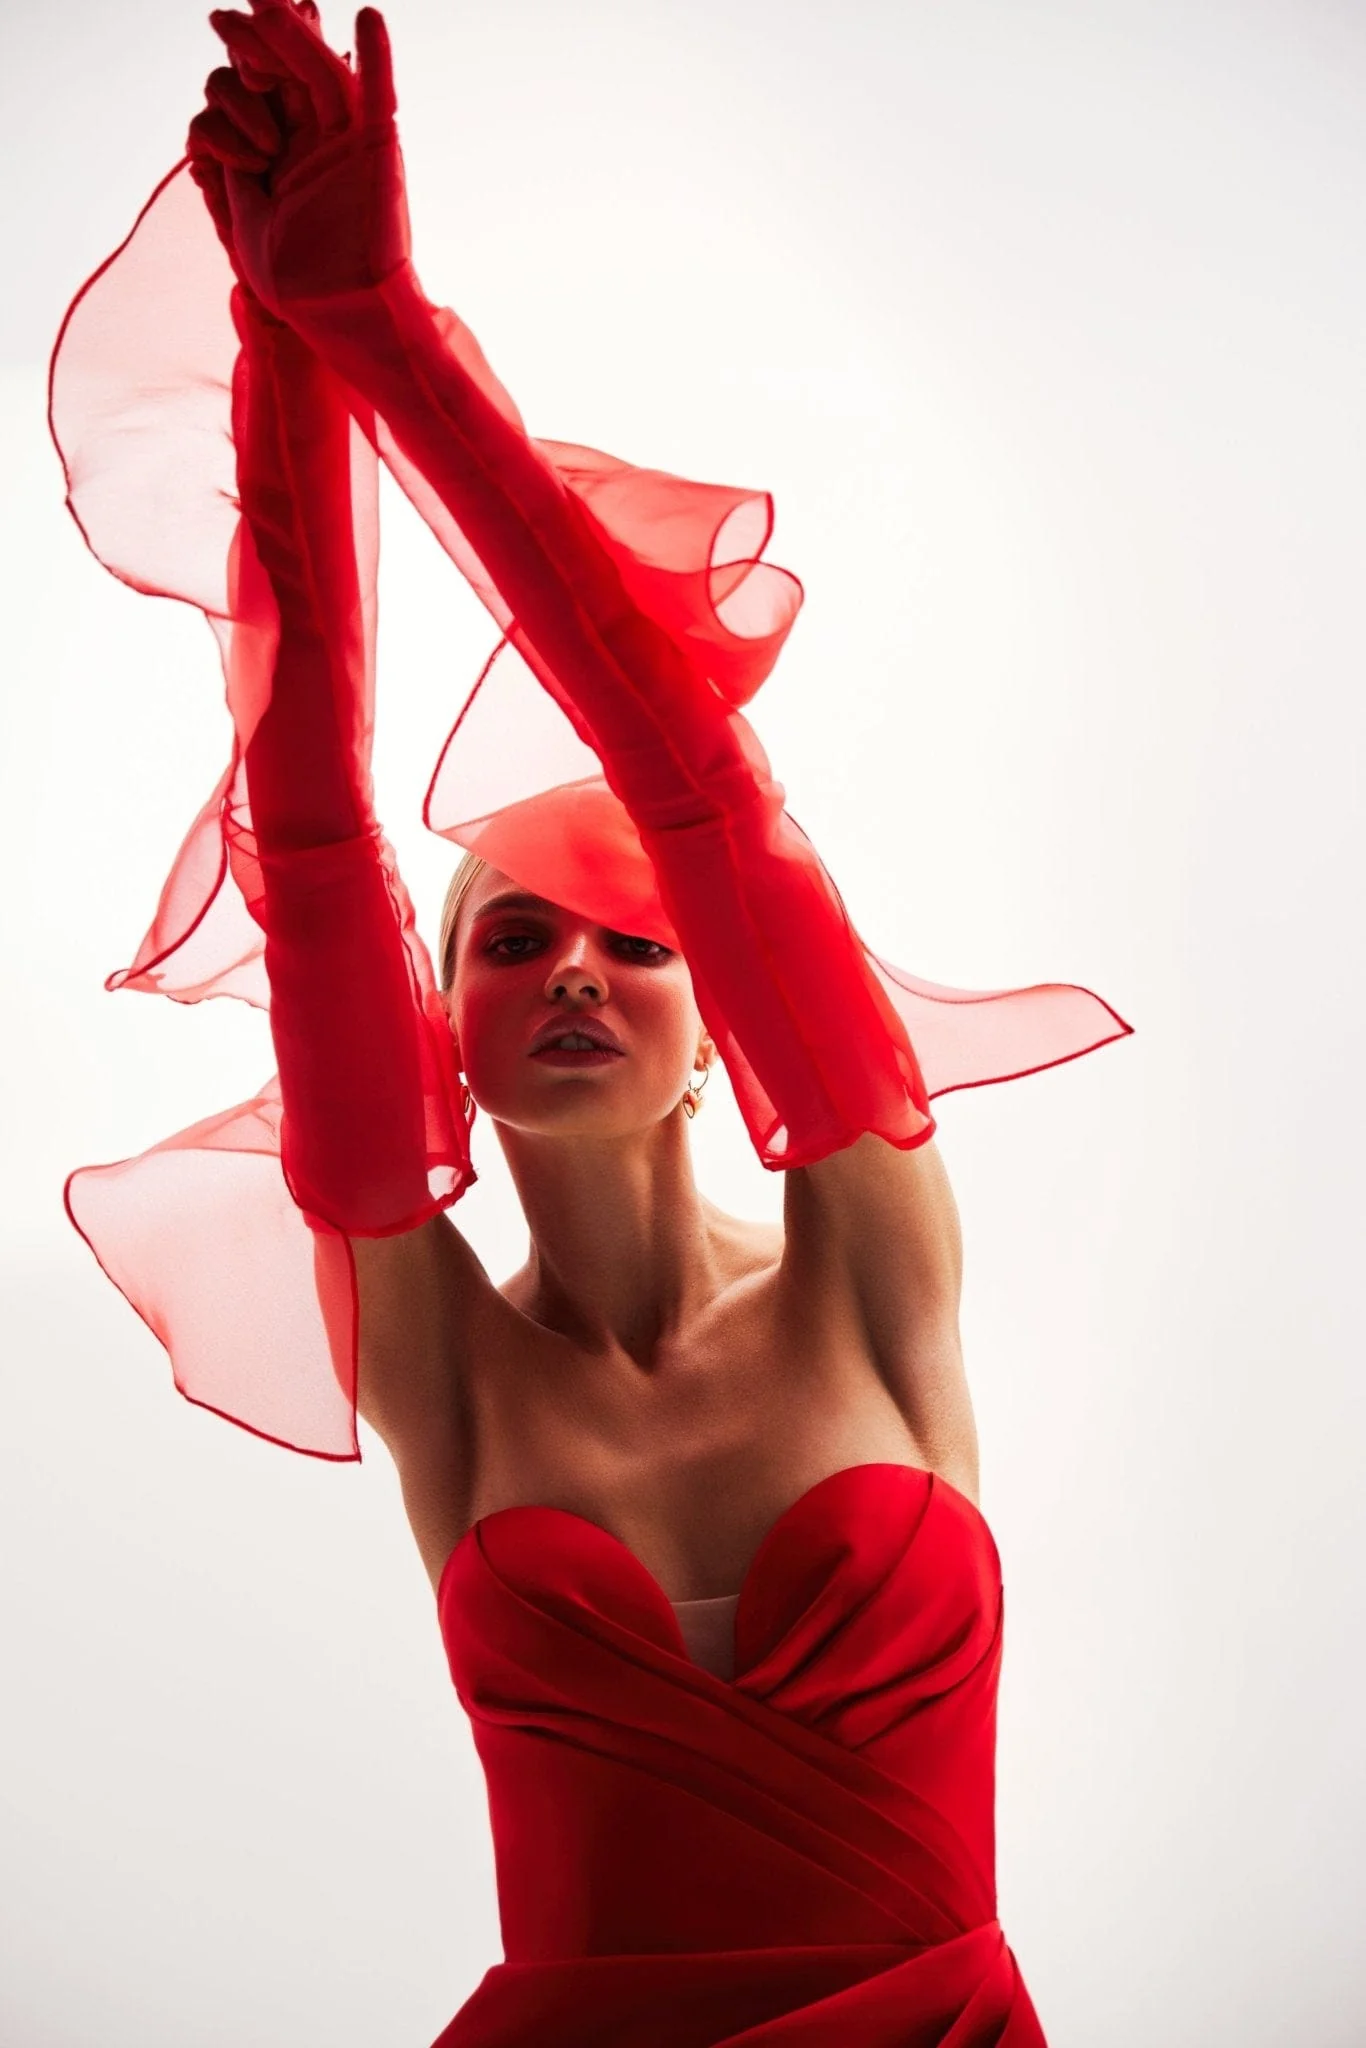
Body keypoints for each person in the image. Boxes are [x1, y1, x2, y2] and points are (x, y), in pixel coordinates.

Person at [50, 3, 1133, 2039]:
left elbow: (695, 786)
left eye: (639, 943)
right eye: (510, 938)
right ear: (436, 1032)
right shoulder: (440, 1360)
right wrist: (292, 357)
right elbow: (310, 839)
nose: (571, 967)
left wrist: (383, 334)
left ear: (729, 1027)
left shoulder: (869, 1267)